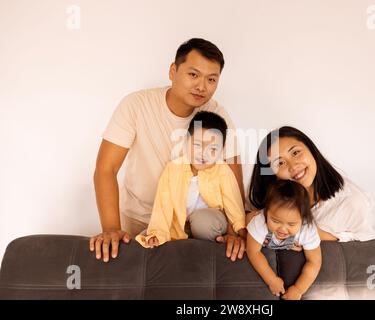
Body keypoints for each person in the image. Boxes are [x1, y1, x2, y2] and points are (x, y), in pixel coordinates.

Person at [90, 38, 246, 262]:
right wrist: (111, 229)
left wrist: (235, 233)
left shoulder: (216, 115)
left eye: (211, 79)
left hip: (199, 228)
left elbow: (232, 177)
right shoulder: (137, 105)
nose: (202, 86)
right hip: (142, 220)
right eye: (193, 75)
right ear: (173, 71)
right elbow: (106, 168)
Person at [135, 111, 246, 248]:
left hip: (210, 221)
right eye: (198, 145)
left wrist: (240, 229)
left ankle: (210, 245)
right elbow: (163, 204)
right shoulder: (173, 168)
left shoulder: (222, 169)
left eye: (213, 149)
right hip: (181, 224)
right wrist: (157, 233)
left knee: (202, 222)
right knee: (148, 236)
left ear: (221, 150)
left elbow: (232, 201)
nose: (203, 154)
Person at [248, 126, 375, 242]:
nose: (293, 166)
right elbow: (248, 217)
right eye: (280, 163)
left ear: (311, 149)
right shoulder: (274, 194)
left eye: (295, 153)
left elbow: (366, 242)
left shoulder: (352, 202)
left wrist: (320, 235)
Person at [247, 179, 322, 300]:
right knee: (247, 222)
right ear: (266, 212)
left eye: (291, 224)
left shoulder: (307, 229)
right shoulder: (260, 221)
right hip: (252, 220)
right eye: (275, 221)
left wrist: (298, 289)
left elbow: (314, 261)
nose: (283, 229)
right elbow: (253, 251)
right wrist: (271, 279)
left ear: (302, 220)